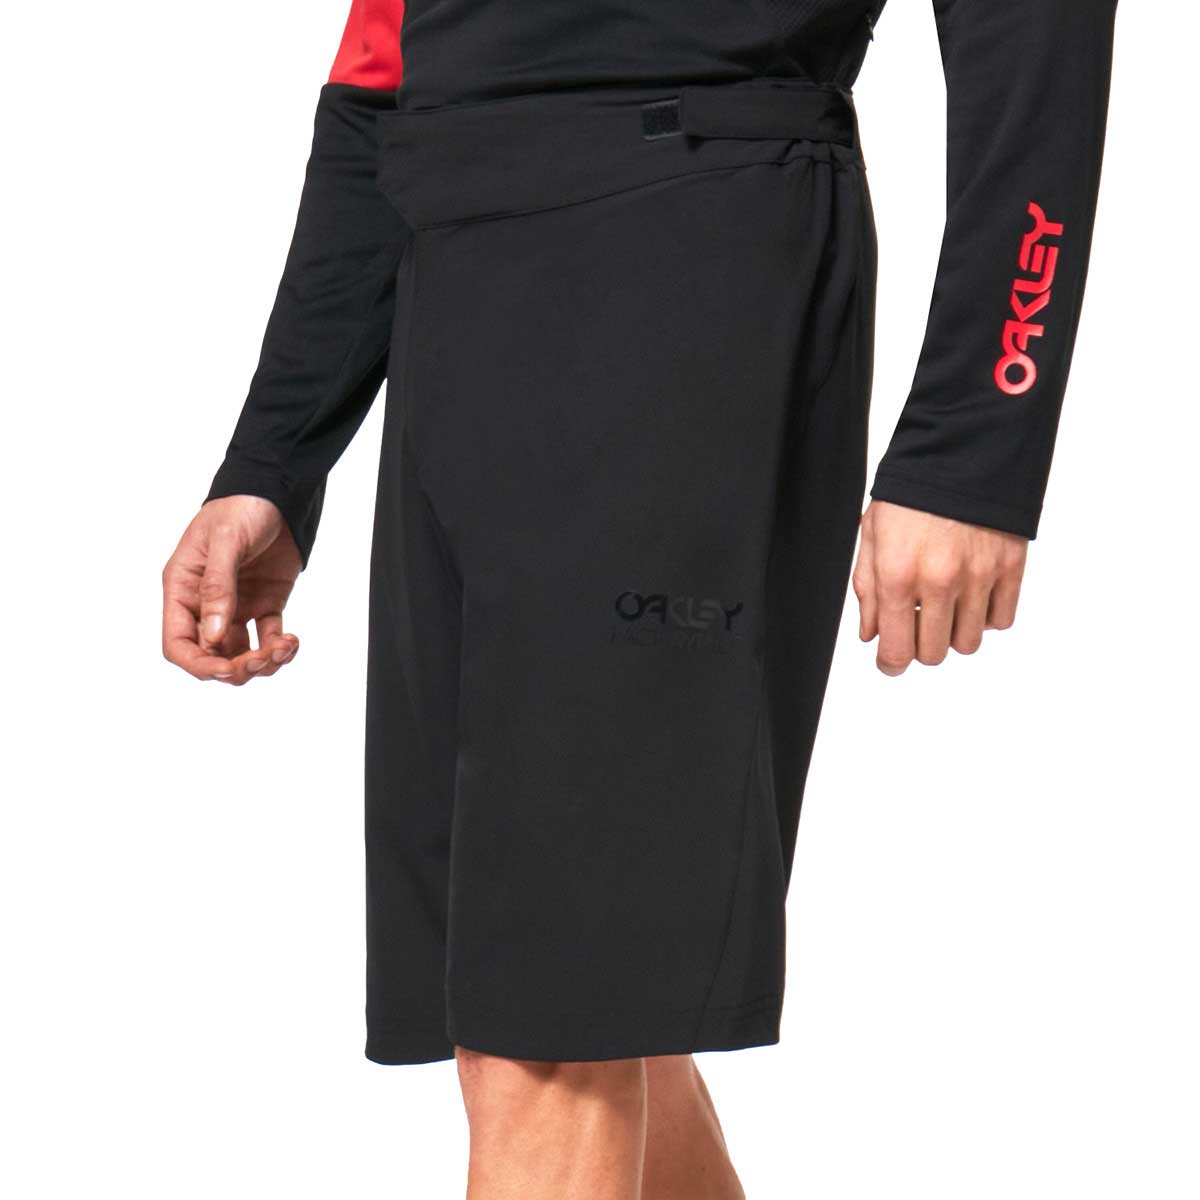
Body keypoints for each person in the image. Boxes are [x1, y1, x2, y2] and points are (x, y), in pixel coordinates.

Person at [161, 2, 1119, 1195]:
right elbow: (382, 73)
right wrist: (272, 459)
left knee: (547, 1028)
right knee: (558, 1017)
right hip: (454, 290)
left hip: (688, 264)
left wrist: (976, 437)